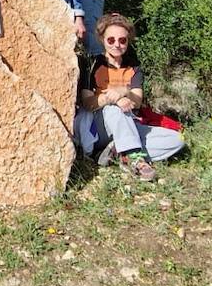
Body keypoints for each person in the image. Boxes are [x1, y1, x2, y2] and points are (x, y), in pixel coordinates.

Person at [74, 13, 183, 179]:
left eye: (122, 40)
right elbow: (88, 103)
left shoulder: (133, 67)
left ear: (128, 41)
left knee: (176, 140)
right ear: (102, 39)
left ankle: (117, 151)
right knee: (115, 110)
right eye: (111, 40)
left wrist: (123, 91)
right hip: (99, 125)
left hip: (128, 123)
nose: (117, 45)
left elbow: (137, 102)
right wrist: (114, 99)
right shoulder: (92, 64)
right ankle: (134, 159)